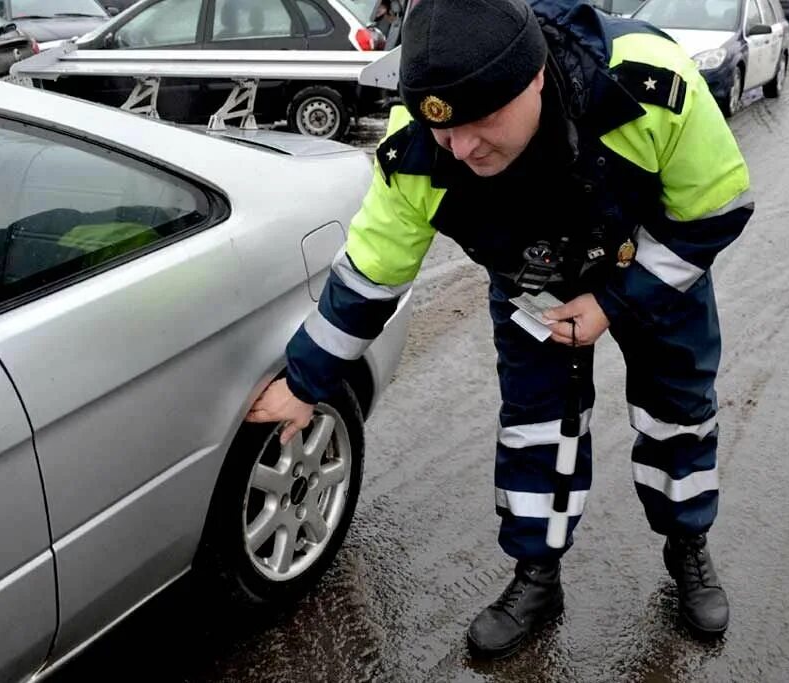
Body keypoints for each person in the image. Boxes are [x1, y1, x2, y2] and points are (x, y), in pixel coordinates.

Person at [245, 0, 753, 659]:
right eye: (446, 129)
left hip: (651, 265)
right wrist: (306, 378)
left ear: (536, 77)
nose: (462, 147)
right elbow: (373, 271)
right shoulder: (421, 145)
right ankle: (537, 573)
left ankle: (687, 545)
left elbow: (717, 208)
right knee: (536, 426)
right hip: (533, 284)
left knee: (677, 410)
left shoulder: (644, 83)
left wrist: (610, 305)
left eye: (481, 121)